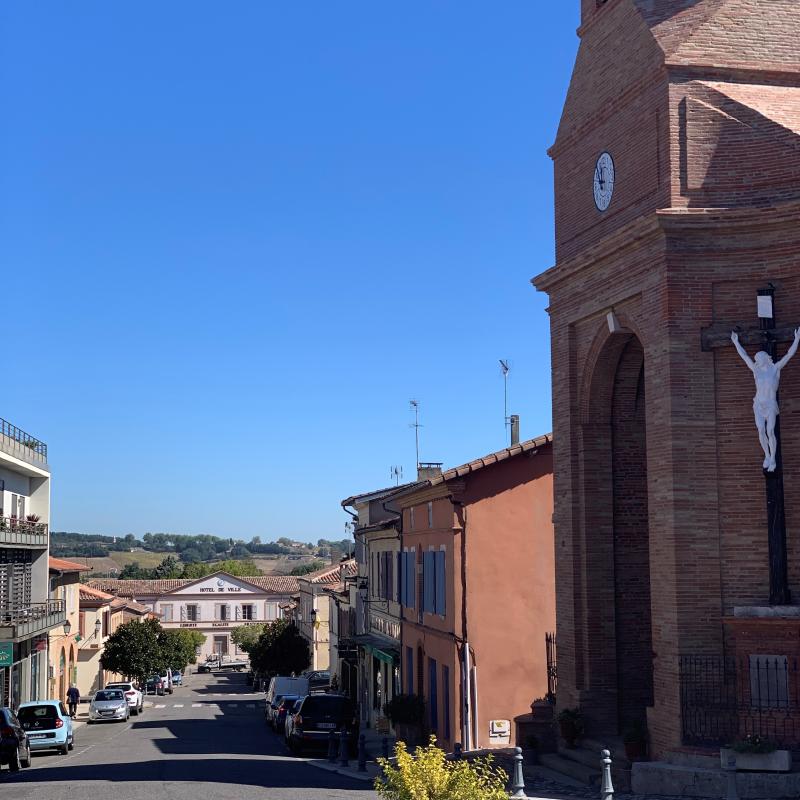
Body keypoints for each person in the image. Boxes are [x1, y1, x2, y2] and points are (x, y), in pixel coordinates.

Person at [732, 328, 800, 471]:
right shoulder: (756, 371)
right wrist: (736, 342)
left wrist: (797, 339)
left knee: (770, 431)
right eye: (756, 359)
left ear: (764, 358)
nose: (756, 361)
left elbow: (789, 355)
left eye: (758, 359)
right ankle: (767, 455)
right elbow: (745, 357)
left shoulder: (775, 369)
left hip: (770, 404)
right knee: (761, 430)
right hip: (758, 404)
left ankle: (773, 458)